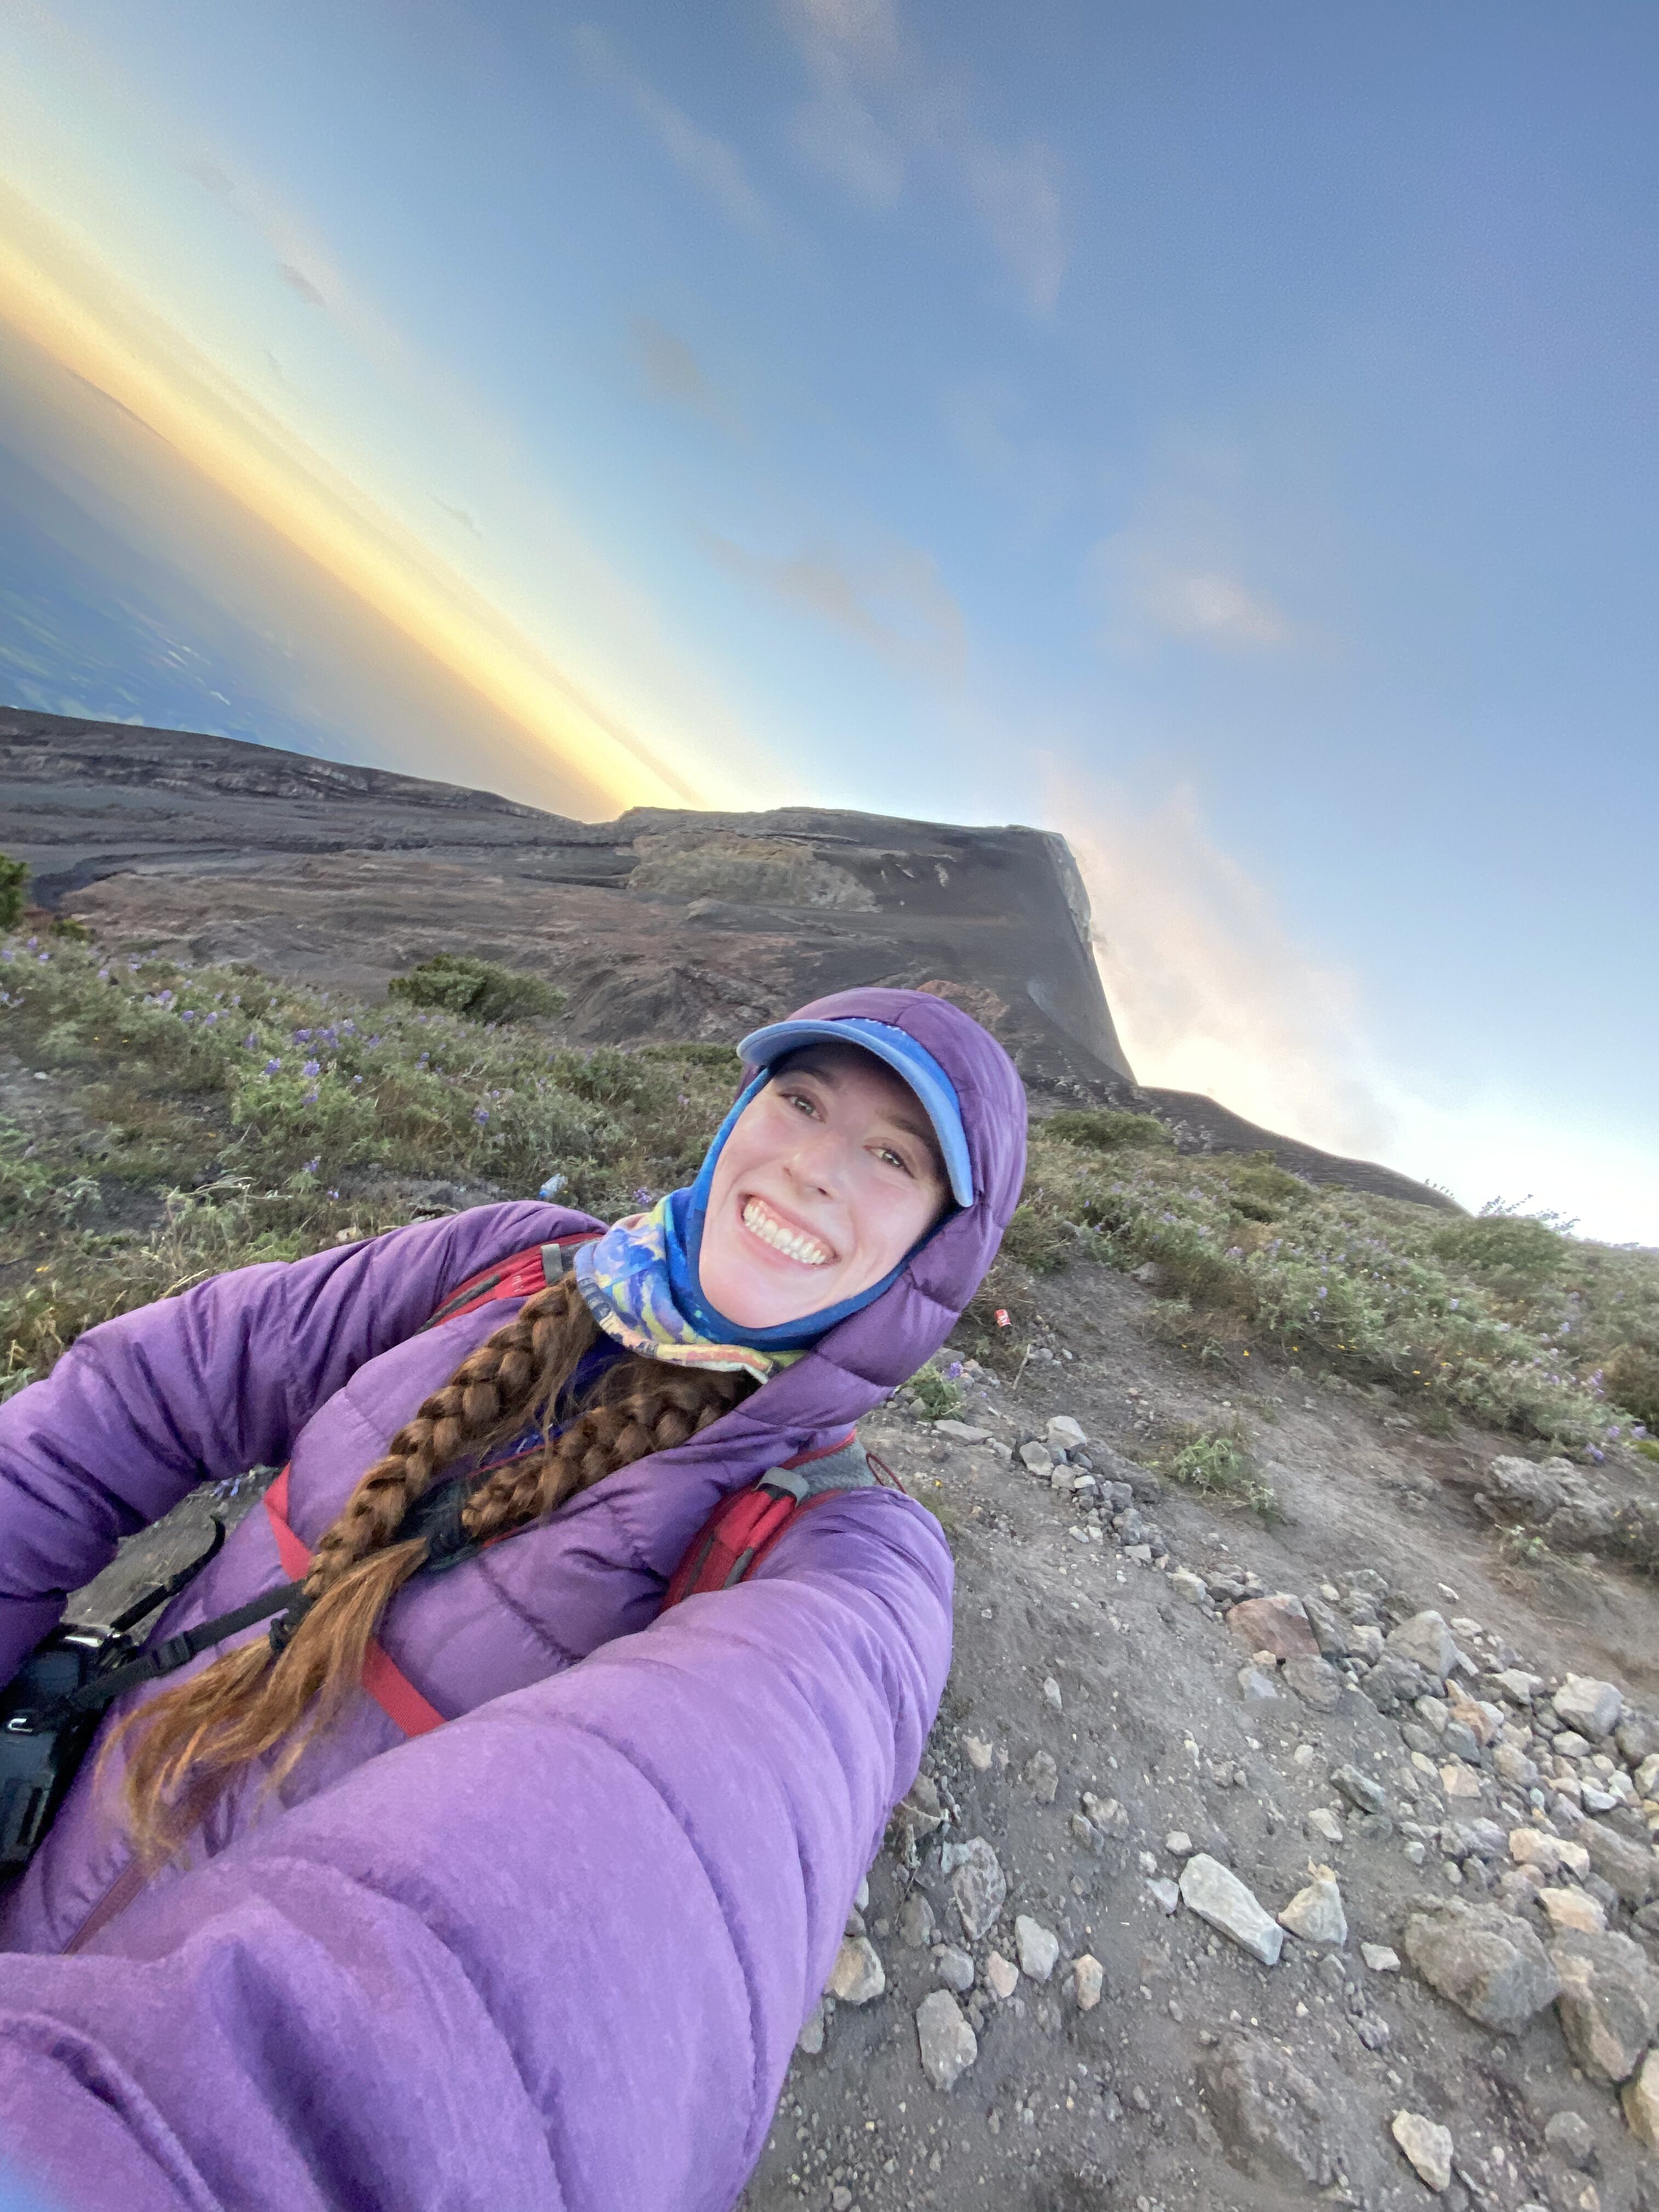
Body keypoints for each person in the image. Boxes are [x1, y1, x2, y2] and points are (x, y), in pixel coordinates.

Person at [0, 985, 1025, 2212]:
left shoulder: (844, 1550)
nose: (813, 1167)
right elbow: (134, 1398)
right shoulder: (502, 1264)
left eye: (890, 1158)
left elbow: (670, 1847)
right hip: (61, 1837)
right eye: (800, 1100)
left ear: (934, 1255)